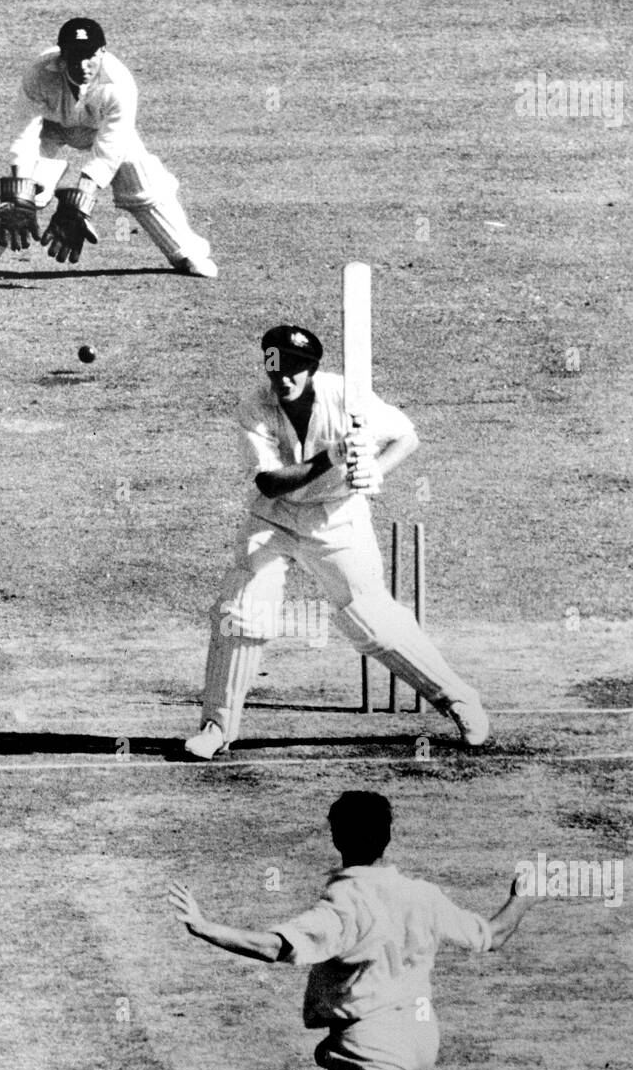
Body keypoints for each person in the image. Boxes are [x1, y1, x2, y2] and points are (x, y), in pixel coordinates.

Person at [168, 790, 542, 1070]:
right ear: (388, 837)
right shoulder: (421, 894)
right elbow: (492, 935)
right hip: (422, 1035)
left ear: (336, 837)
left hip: (367, 1043)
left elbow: (276, 947)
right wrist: (525, 895)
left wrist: (204, 926)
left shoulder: (344, 904)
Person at [182, 324, 489, 760]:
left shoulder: (348, 395)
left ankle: (458, 700)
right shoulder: (255, 405)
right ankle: (217, 726)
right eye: (275, 367)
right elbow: (270, 483)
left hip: (337, 517)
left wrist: (375, 472)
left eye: (293, 369)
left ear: (311, 369)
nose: (282, 378)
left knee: (371, 619)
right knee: (242, 611)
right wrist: (334, 455)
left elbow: (407, 436)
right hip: (274, 518)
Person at [0, 17, 217, 285]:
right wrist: (21, 186)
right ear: (61, 56)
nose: (82, 65)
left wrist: (80, 202)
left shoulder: (120, 84)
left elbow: (110, 149)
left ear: (102, 51)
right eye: (74, 56)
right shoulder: (38, 73)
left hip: (98, 129)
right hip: (50, 128)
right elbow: (25, 135)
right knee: (19, 192)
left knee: (139, 175)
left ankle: (187, 253)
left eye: (89, 56)